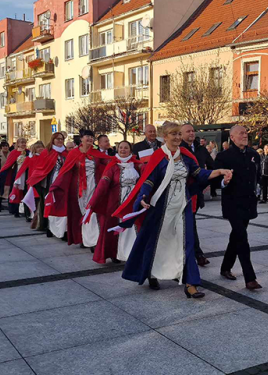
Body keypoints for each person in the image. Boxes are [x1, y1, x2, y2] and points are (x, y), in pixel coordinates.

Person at [114, 121, 231, 297]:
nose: (177, 137)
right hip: (160, 208)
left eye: (178, 134)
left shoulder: (185, 155)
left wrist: (219, 171)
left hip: (182, 206)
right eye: (173, 134)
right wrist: (143, 196)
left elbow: (199, 174)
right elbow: (148, 180)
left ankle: (191, 283)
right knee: (155, 242)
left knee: (187, 243)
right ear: (165, 137)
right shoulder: (158, 156)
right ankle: (150, 273)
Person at [213, 125, 262, 289]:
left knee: (236, 236)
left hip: (248, 203)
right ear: (232, 137)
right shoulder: (223, 156)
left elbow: (258, 176)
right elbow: (214, 180)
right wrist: (224, 182)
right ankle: (250, 278)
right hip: (232, 203)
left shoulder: (254, 155)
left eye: (246, 133)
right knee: (242, 238)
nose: (245, 135)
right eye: (241, 133)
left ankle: (225, 267)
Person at [44, 130, 106, 243]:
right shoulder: (73, 153)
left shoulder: (96, 153)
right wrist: (55, 187)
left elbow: (110, 163)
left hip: (93, 185)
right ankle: (82, 238)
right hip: (77, 188)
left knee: (92, 211)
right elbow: (65, 171)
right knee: (80, 212)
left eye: (92, 137)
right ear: (81, 138)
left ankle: (92, 240)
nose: (90, 139)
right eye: (87, 136)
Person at [85, 140, 141, 264]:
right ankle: (115, 253)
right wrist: (92, 203)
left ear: (130, 150)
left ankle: (131, 253)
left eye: (126, 148)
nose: (123, 150)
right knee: (115, 228)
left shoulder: (137, 165)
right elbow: (102, 185)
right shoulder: (113, 166)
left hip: (133, 202)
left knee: (133, 228)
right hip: (116, 203)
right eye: (121, 148)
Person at [180, 122, 214, 266]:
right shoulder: (178, 149)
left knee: (191, 224)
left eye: (192, 131)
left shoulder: (201, 149)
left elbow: (212, 167)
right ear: (181, 134)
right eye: (188, 131)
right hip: (180, 193)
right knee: (185, 225)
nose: (191, 133)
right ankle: (192, 254)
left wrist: (205, 184)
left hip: (195, 193)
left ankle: (196, 253)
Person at [29, 132, 71, 232]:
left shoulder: (66, 153)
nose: (60, 141)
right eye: (58, 139)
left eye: (61, 139)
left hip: (63, 183)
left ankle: (60, 227)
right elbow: (41, 167)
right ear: (53, 140)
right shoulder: (47, 152)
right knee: (48, 204)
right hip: (49, 183)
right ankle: (46, 225)